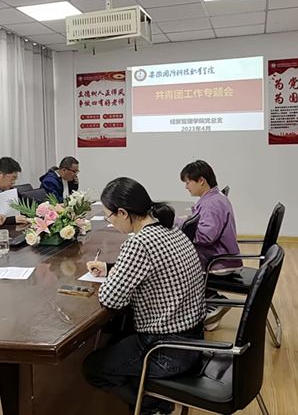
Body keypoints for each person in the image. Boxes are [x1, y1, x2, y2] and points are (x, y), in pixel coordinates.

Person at [82, 177, 206, 415]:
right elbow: (157, 269)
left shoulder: (139, 243)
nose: (111, 222)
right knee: (116, 339)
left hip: (166, 350)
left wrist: (116, 274)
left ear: (123, 213)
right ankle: (151, 399)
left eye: (109, 217)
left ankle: (153, 406)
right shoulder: (171, 230)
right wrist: (112, 268)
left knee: (93, 368)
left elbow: (110, 299)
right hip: (193, 339)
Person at [179, 160, 241, 331]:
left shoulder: (212, 204)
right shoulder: (214, 198)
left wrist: (179, 225)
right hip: (221, 255)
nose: (186, 186)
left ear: (201, 180)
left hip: (218, 261)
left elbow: (206, 236)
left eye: (188, 182)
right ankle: (211, 307)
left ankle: (213, 301)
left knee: (173, 265)